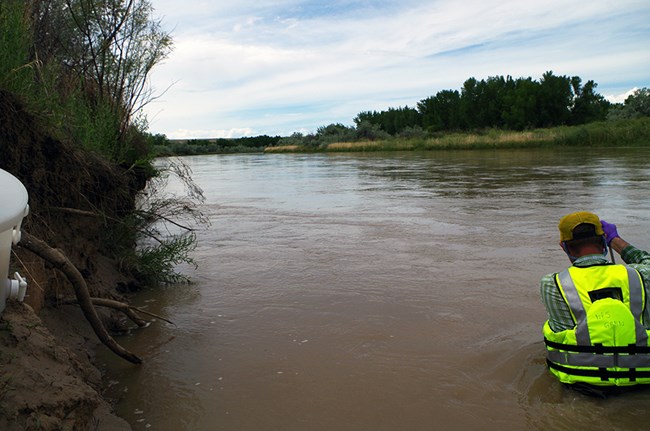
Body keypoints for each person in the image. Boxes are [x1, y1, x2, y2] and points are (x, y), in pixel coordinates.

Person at [540, 211, 650, 396]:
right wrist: (616, 240)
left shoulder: (553, 283)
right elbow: (645, 260)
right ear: (603, 241)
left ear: (563, 247)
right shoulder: (640, 274)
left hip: (582, 388)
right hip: (643, 380)